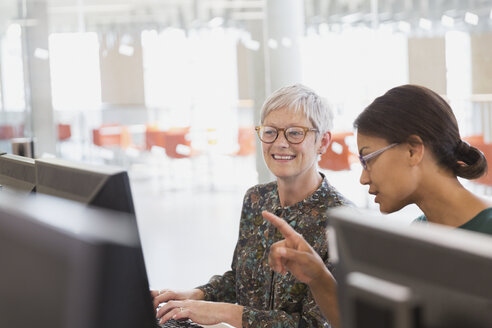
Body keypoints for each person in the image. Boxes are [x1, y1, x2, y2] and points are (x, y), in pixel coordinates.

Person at [264, 84, 492, 328]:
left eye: (368, 159)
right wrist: (317, 276)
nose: (363, 178)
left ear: (413, 151)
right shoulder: (418, 238)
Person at [152, 84, 352, 328]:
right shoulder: (256, 198)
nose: (279, 143)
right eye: (270, 132)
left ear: (322, 141)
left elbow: (315, 324)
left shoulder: (344, 221)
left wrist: (226, 313)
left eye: (295, 133)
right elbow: (241, 279)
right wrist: (198, 295)